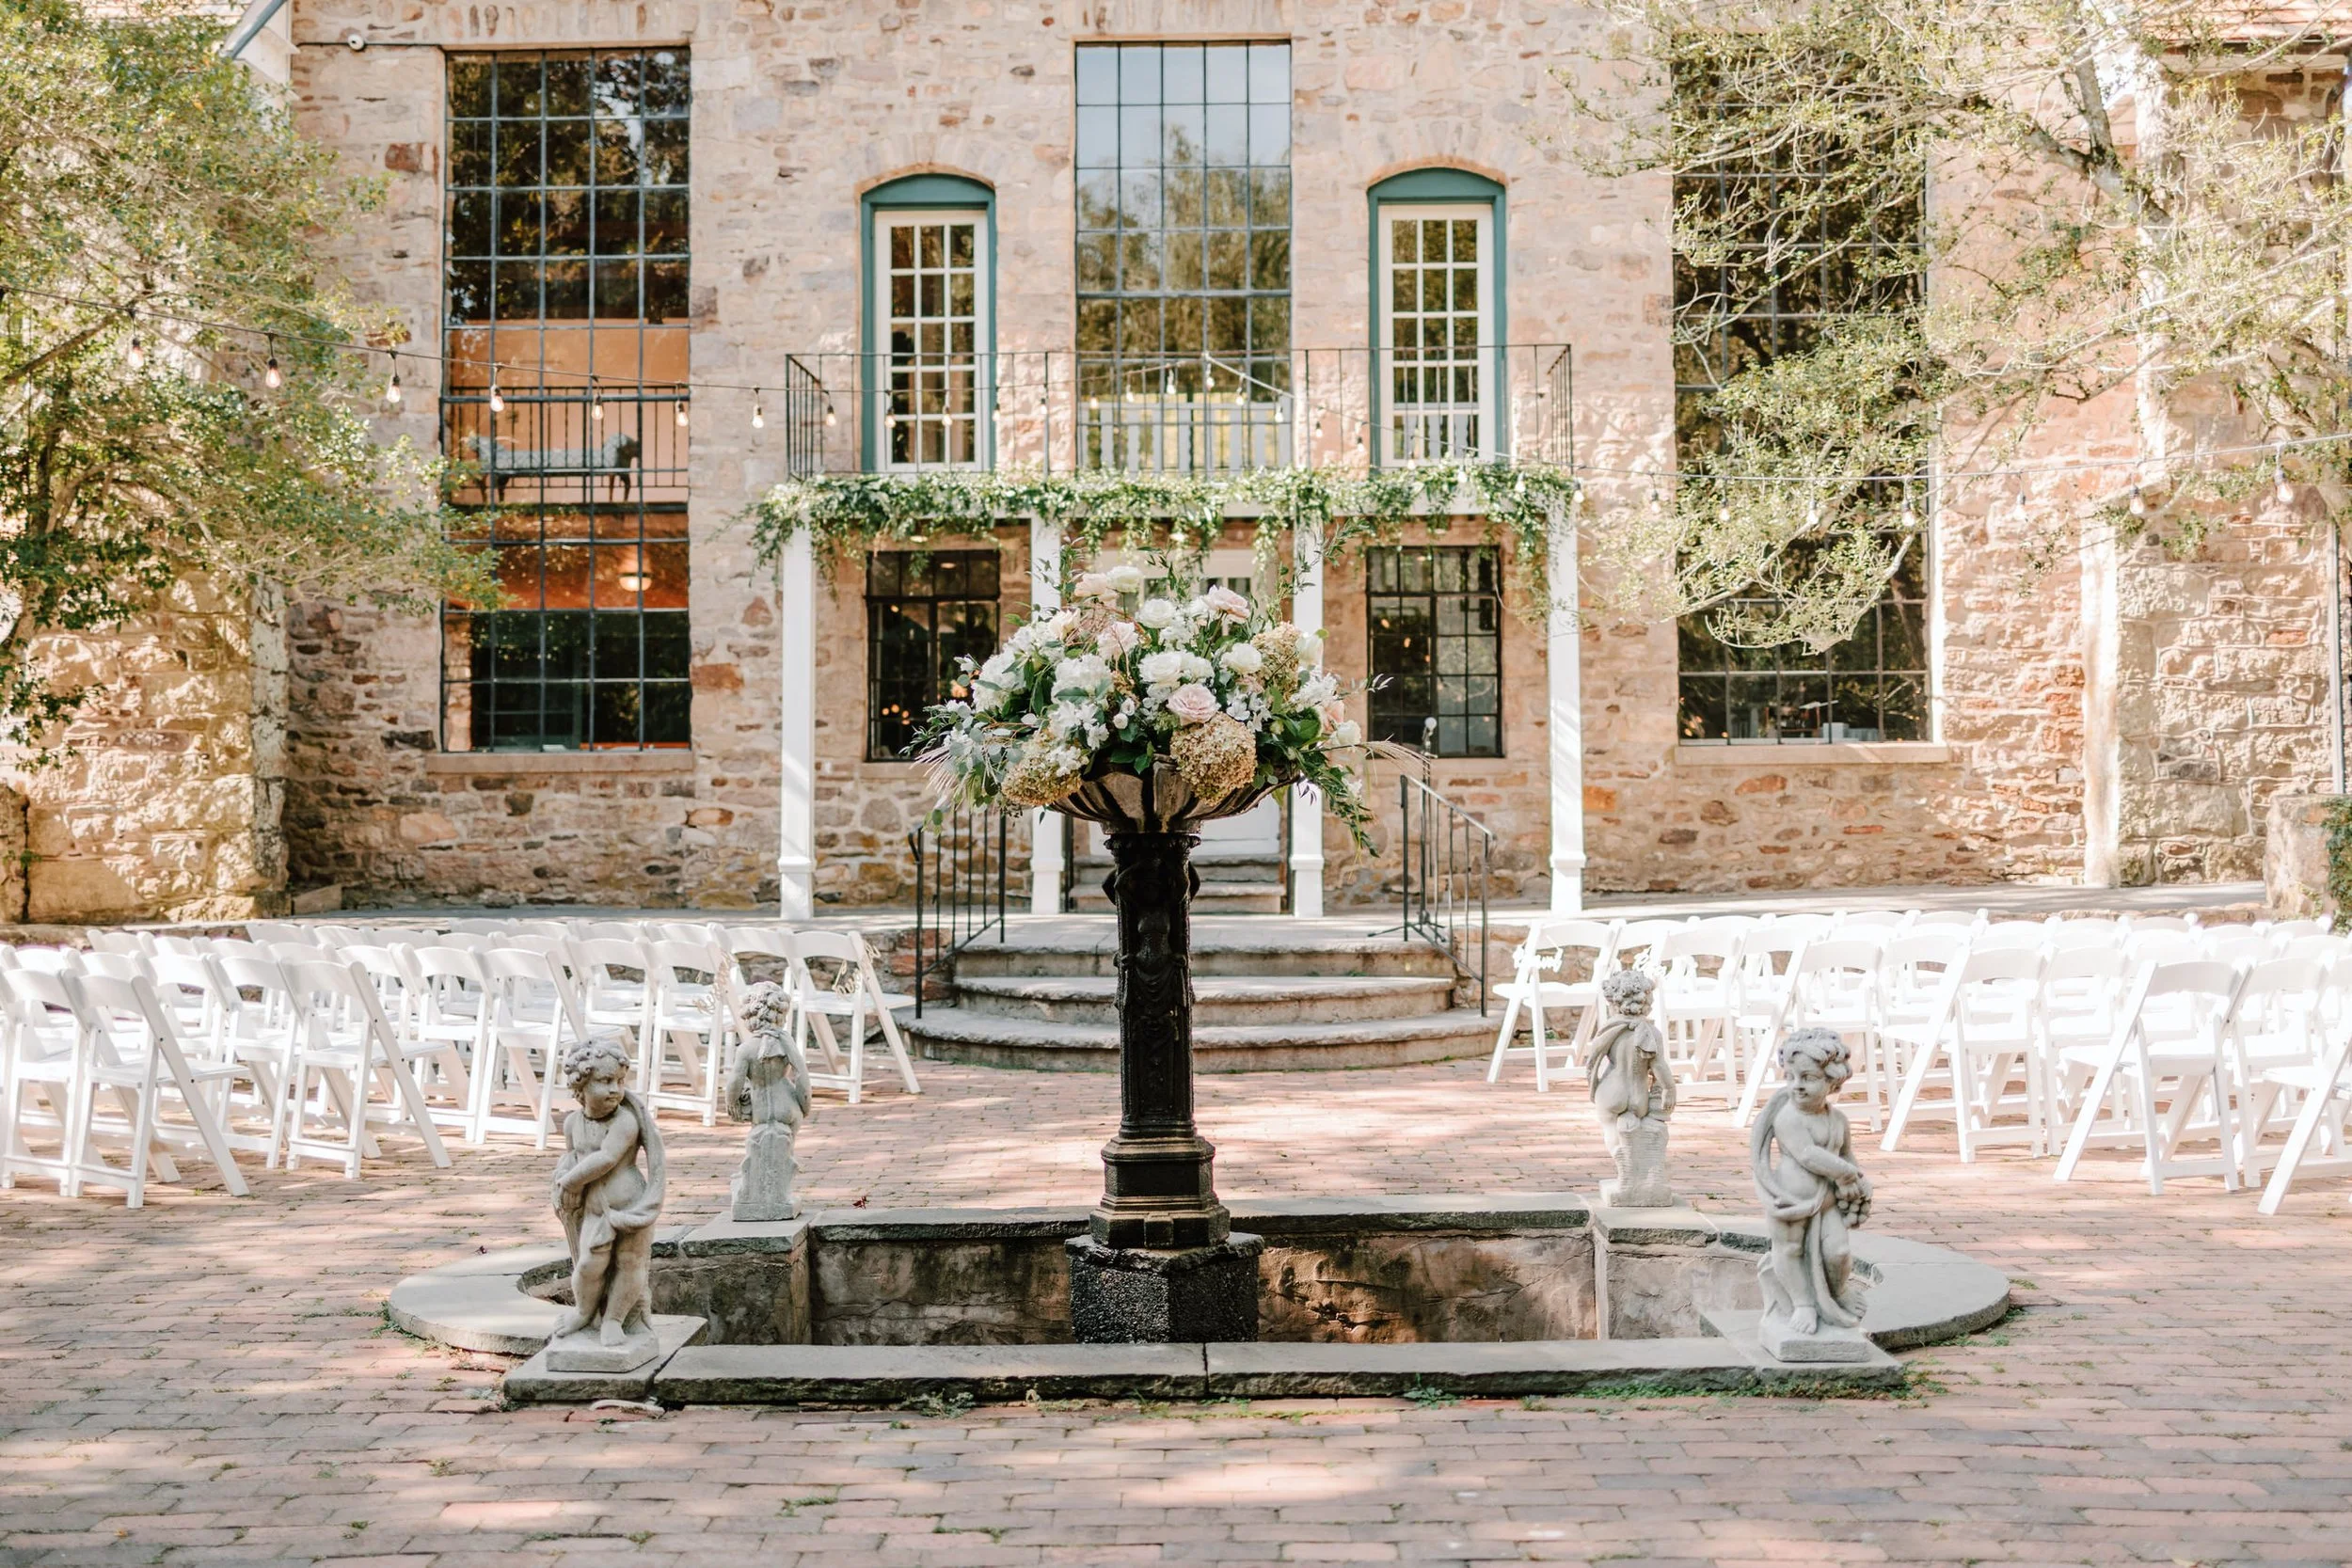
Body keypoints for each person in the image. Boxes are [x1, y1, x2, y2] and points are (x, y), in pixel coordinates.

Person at [1750, 1027, 1871, 1337]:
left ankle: (1838, 1291)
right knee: (1789, 1249)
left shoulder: (1837, 1120)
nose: (1797, 1086)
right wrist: (1847, 1175)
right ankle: (1803, 1303)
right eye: (1790, 1077)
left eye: (1808, 1078)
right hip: (1791, 1200)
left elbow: (1847, 1154)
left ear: (1832, 1082)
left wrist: (1860, 1181)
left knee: (1839, 1252)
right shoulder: (1789, 1117)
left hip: (1827, 1201)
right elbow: (1807, 1155)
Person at [549, 1033, 666, 1350]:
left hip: (631, 1206)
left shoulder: (625, 1121)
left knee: (630, 1263)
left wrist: (571, 1181)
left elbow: (607, 1158)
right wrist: (564, 1176)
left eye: (619, 1080)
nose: (615, 1088)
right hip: (596, 1209)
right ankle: (585, 1311)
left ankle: (614, 1319)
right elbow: (572, 1156)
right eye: (605, 1081)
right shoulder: (573, 1123)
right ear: (581, 1086)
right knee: (589, 1264)